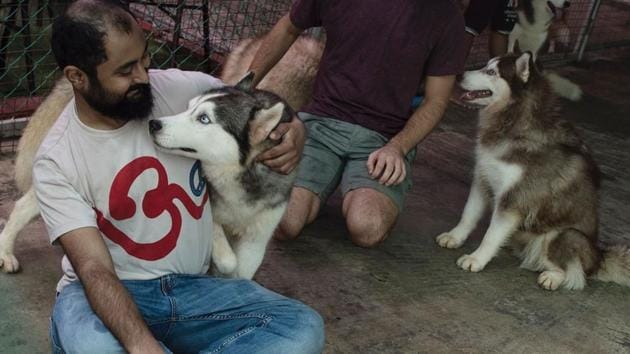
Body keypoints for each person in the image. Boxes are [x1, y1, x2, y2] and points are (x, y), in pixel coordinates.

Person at [33, 1, 324, 352]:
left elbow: (252, 109)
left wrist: (295, 131)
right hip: (104, 292)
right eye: (126, 71)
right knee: (93, 346)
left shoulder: (187, 91)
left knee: (301, 327)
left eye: (144, 60)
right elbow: (94, 269)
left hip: (193, 290)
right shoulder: (56, 159)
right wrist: (142, 346)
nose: (144, 77)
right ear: (78, 77)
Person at [249, 0, 467, 248]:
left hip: (383, 138)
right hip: (320, 122)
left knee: (367, 229)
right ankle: (314, 186)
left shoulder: (445, 16)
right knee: (283, 222)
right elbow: (289, 27)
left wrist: (398, 147)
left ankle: (353, 187)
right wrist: (245, 85)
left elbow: (436, 100)